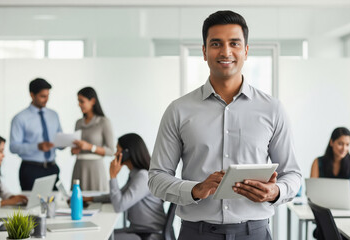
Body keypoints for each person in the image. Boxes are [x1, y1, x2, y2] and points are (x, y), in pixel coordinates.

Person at [148, 10, 301, 240]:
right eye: (216, 43)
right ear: (204, 51)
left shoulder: (272, 109)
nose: (226, 51)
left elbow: (293, 174)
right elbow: (157, 178)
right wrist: (195, 189)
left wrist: (275, 191)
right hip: (195, 233)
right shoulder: (178, 110)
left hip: (255, 232)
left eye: (234, 43)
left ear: (246, 51)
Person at [84, 133, 165, 240]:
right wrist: (91, 199)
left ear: (126, 153)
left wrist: (113, 176)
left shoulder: (143, 176)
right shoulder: (135, 173)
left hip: (148, 234)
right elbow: (118, 195)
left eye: (118, 150)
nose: (115, 154)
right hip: (138, 231)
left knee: (103, 236)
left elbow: (119, 206)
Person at [10, 78, 63, 190]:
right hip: (31, 169)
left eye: (48, 96)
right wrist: (37, 146)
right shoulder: (20, 118)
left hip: (52, 168)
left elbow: (59, 138)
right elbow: (13, 147)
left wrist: (64, 143)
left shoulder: (54, 115)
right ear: (32, 95)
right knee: (32, 205)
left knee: (55, 203)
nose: (46, 99)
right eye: (42, 96)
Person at [71, 87, 114, 191]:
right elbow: (75, 148)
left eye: (82, 101)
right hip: (79, 167)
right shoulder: (78, 123)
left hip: (95, 169)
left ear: (93, 101)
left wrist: (90, 147)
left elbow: (111, 151)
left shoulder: (103, 122)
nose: (79, 105)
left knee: (96, 200)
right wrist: (74, 150)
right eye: (78, 101)